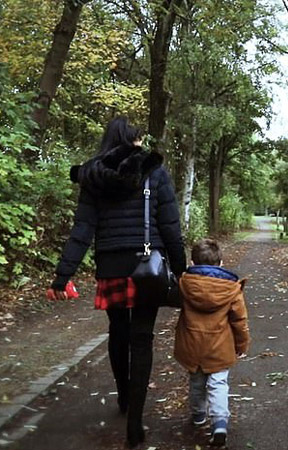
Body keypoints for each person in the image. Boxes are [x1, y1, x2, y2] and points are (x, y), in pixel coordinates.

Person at [50, 116, 186, 448]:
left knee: (118, 332)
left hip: (111, 266)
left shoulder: (93, 176)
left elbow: (82, 229)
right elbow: (169, 225)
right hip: (147, 267)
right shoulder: (154, 170)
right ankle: (135, 422)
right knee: (142, 338)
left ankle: (124, 397)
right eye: (138, 137)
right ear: (133, 140)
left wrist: (62, 275)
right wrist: (181, 270)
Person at [174, 238, 250, 447]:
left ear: (192, 262)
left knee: (196, 383)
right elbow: (239, 321)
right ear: (221, 263)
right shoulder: (231, 289)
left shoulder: (184, 284)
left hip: (191, 345)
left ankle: (198, 416)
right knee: (218, 385)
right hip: (219, 347)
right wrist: (241, 345)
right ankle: (219, 424)